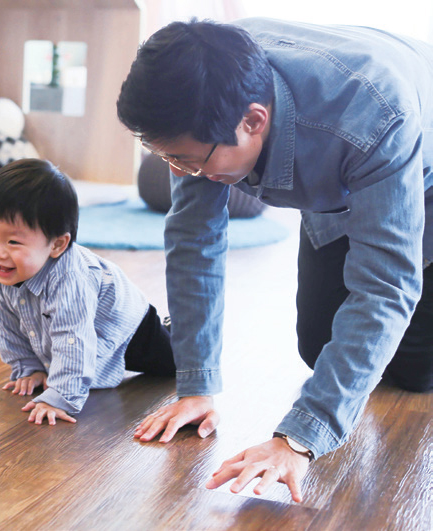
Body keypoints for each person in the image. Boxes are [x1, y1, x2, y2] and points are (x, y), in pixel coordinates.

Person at [116, 18, 433, 503]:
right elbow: (194, 239)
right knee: (318, 345)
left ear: (254, 120)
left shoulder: (371, 114)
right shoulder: (204, 92)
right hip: (345, 167)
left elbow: (384, 288)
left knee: (413, 371)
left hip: (417, 160)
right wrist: (196, 384)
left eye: (190, 161)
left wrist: (297, 440)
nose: (182, 173)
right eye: (171, 159)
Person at [0, 158, 175, 425]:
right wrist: (29, 367)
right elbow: (7, 325)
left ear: (57, 244)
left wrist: (60, 395)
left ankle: (177, 329)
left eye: (13, 241)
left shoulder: (71, 280)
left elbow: (73, 338)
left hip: (130, 327)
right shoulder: (2, 270)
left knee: (175, 363)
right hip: (91, 330)